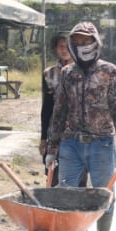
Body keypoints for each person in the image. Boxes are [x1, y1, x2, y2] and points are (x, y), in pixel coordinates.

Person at [45, 22, 116, 231]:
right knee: (65, 194)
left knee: (103, 195)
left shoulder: (109, 71)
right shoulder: (68, 73)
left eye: (86, 40)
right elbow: (59, 112)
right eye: (77, 41)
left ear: (95, 42)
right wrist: (52, 148)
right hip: (71, 143)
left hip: (101, 144)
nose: (81, 45)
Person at [39, 32, 73, 186]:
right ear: (55, 49)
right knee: (53, 174)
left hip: (77, 132)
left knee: (77, 179)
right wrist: (43, 138)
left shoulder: (83, 71)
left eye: (68, 46)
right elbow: (47, 107)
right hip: (55, 132)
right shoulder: (49, 74)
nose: (64, 50)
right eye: (61, 46)